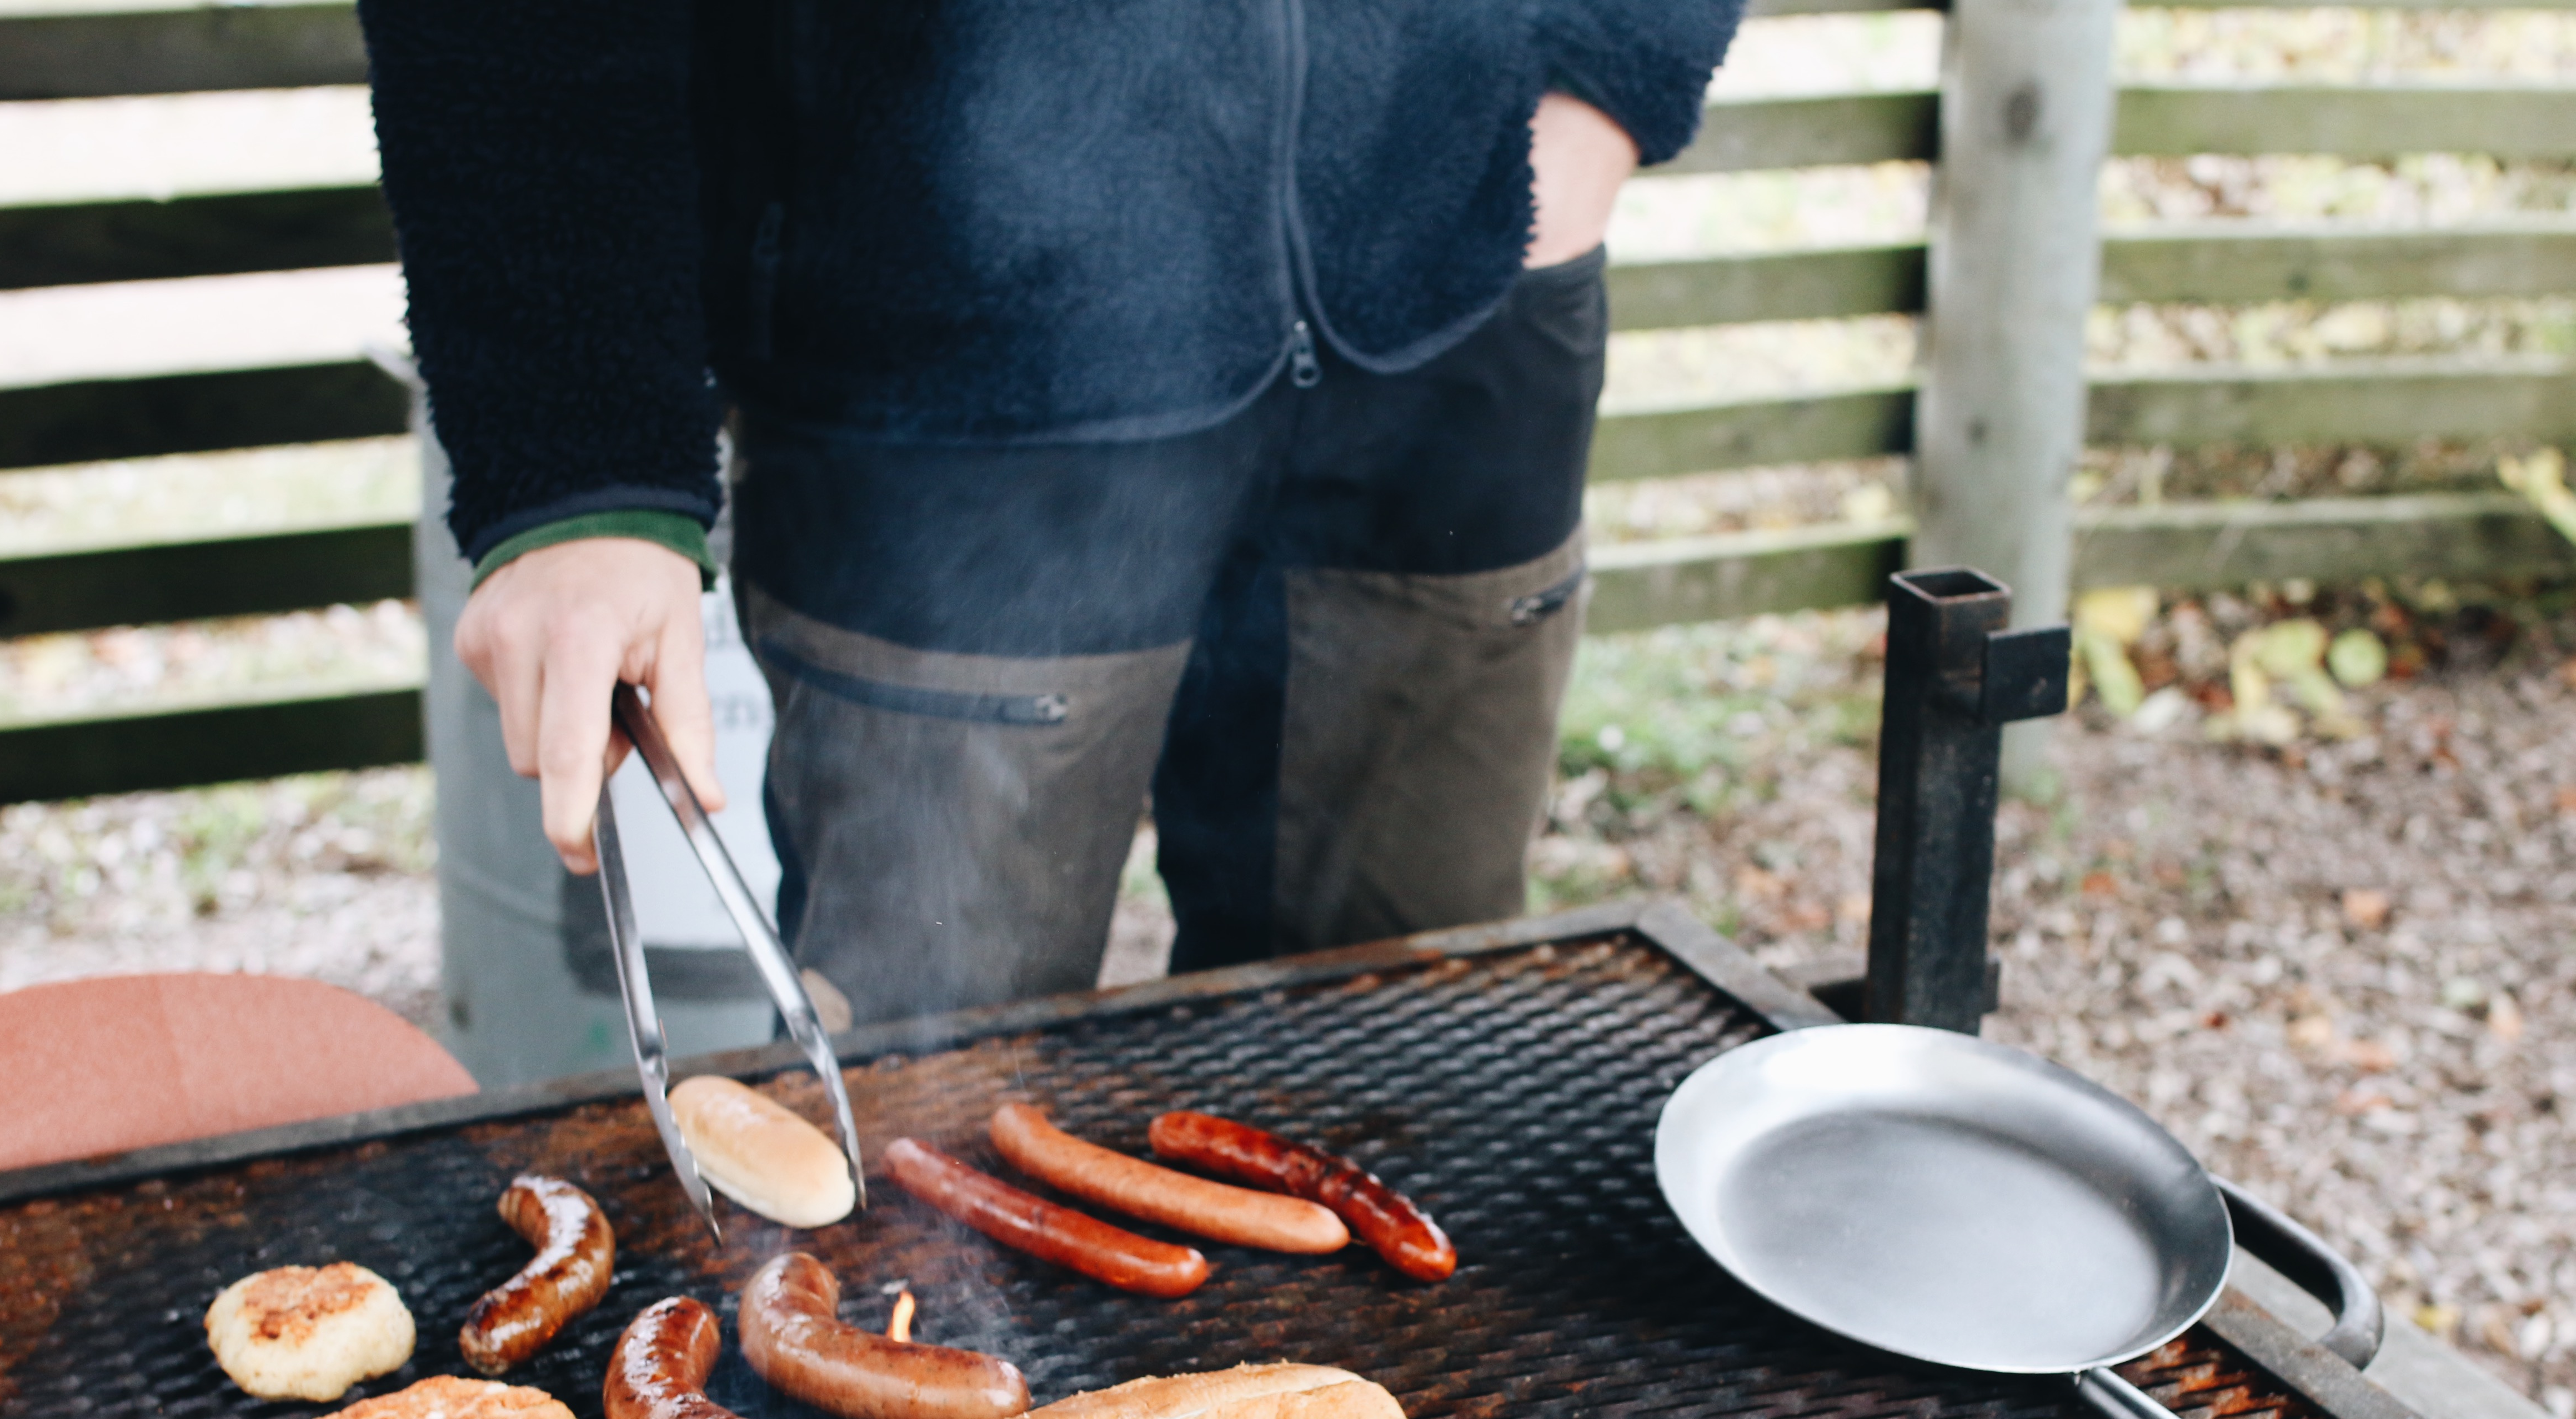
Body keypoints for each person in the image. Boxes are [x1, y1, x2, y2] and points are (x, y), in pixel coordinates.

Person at [359, 1, 1745, 1027]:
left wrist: (1604, 88)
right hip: (935, 372)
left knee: (1405, 1073)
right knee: (919, 1148)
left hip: (1461, 299)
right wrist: (577, 457)